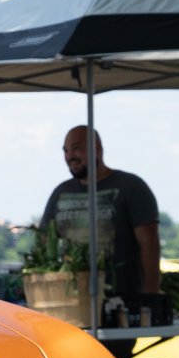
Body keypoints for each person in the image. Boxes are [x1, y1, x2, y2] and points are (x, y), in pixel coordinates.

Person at [39, 127, 161, 302]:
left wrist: (151, 297)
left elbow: (150, 244)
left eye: (77, 148)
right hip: (73, 301)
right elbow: (44, 243)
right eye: (66, 150)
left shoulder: (131, 187)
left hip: (123, 301)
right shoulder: (60, 192)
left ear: (97, 148)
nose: (70, 156)